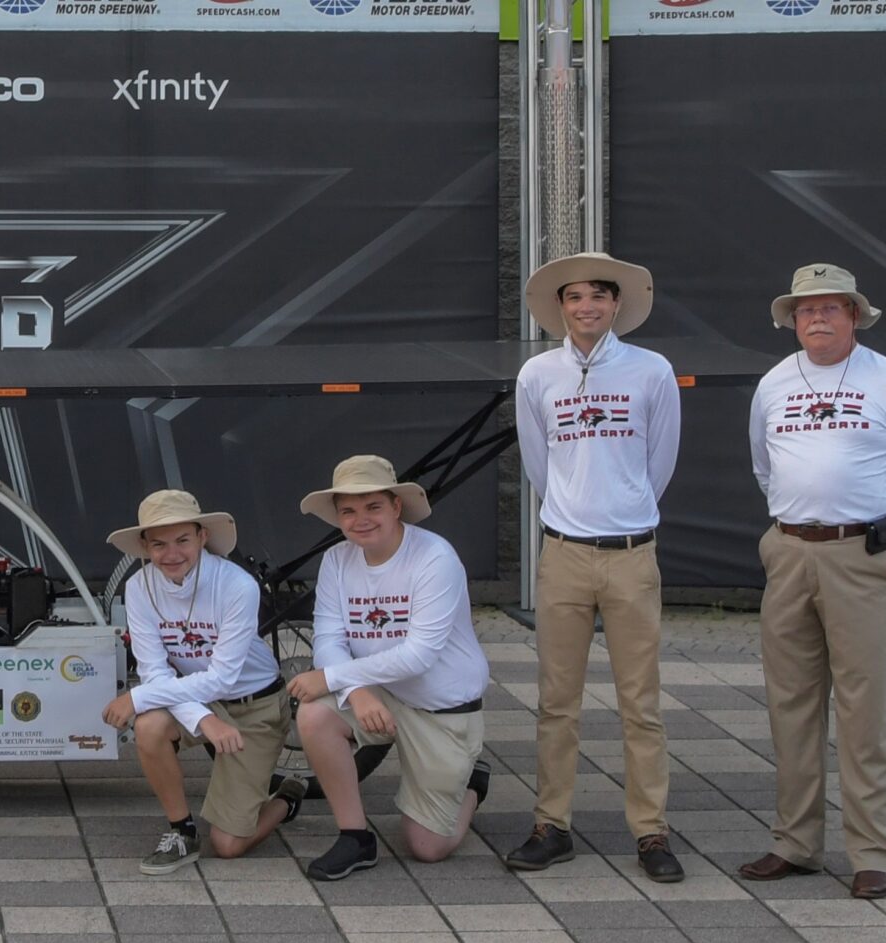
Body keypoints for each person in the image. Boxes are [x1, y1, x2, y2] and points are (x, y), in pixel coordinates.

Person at [740, 264, 886, 901]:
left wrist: (881, 531)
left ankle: (872, 851)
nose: (819, 320)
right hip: (789, 552)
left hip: (861, 555)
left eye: (832, 308)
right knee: (791, 703)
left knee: (862, 706)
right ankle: (796, 843)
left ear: (854, 316)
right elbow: (763, 467)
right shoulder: (774, 383)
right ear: (792, 321)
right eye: (807, 311)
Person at [510, 252, 684, 882]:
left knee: (641, 702)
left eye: (599, 297)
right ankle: (551, 824)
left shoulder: (651, 371)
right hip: (564, 555)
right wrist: (576, 516)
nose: (587, 308)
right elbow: (540, 464)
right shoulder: (537, 376)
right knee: (557, 702)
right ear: (561, 307)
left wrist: (626, 511)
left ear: (617, 305)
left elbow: (658, 462)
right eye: (575, 297)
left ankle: (651, 831)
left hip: (633, 555)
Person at [287, 456, 493, 881]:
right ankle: (354, 836)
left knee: (428, 848)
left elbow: (420, 655)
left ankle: (472, 784)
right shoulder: (337, 560)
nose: (360, 520)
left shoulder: (435, 557)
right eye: (348, 510)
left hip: (441, 706)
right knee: (314, 714)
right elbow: (328, 639)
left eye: (373, 507)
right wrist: (356, 693)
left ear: (396, 507)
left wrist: (332, 679)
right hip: (380, 692)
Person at [104, 490, 299, 875]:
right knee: (149, 725)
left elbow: (223, 677)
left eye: (182, 541)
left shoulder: (236, 585)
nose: (171, 554)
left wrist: (139, 696)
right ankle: (182, 831)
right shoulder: (139, 587)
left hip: (254, 702)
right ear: (144, 545)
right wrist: (202, 719)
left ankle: (287, 798)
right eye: (158, 544)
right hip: (197, 698)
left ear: (202, 537)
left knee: (228, 845)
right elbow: (155, 671)